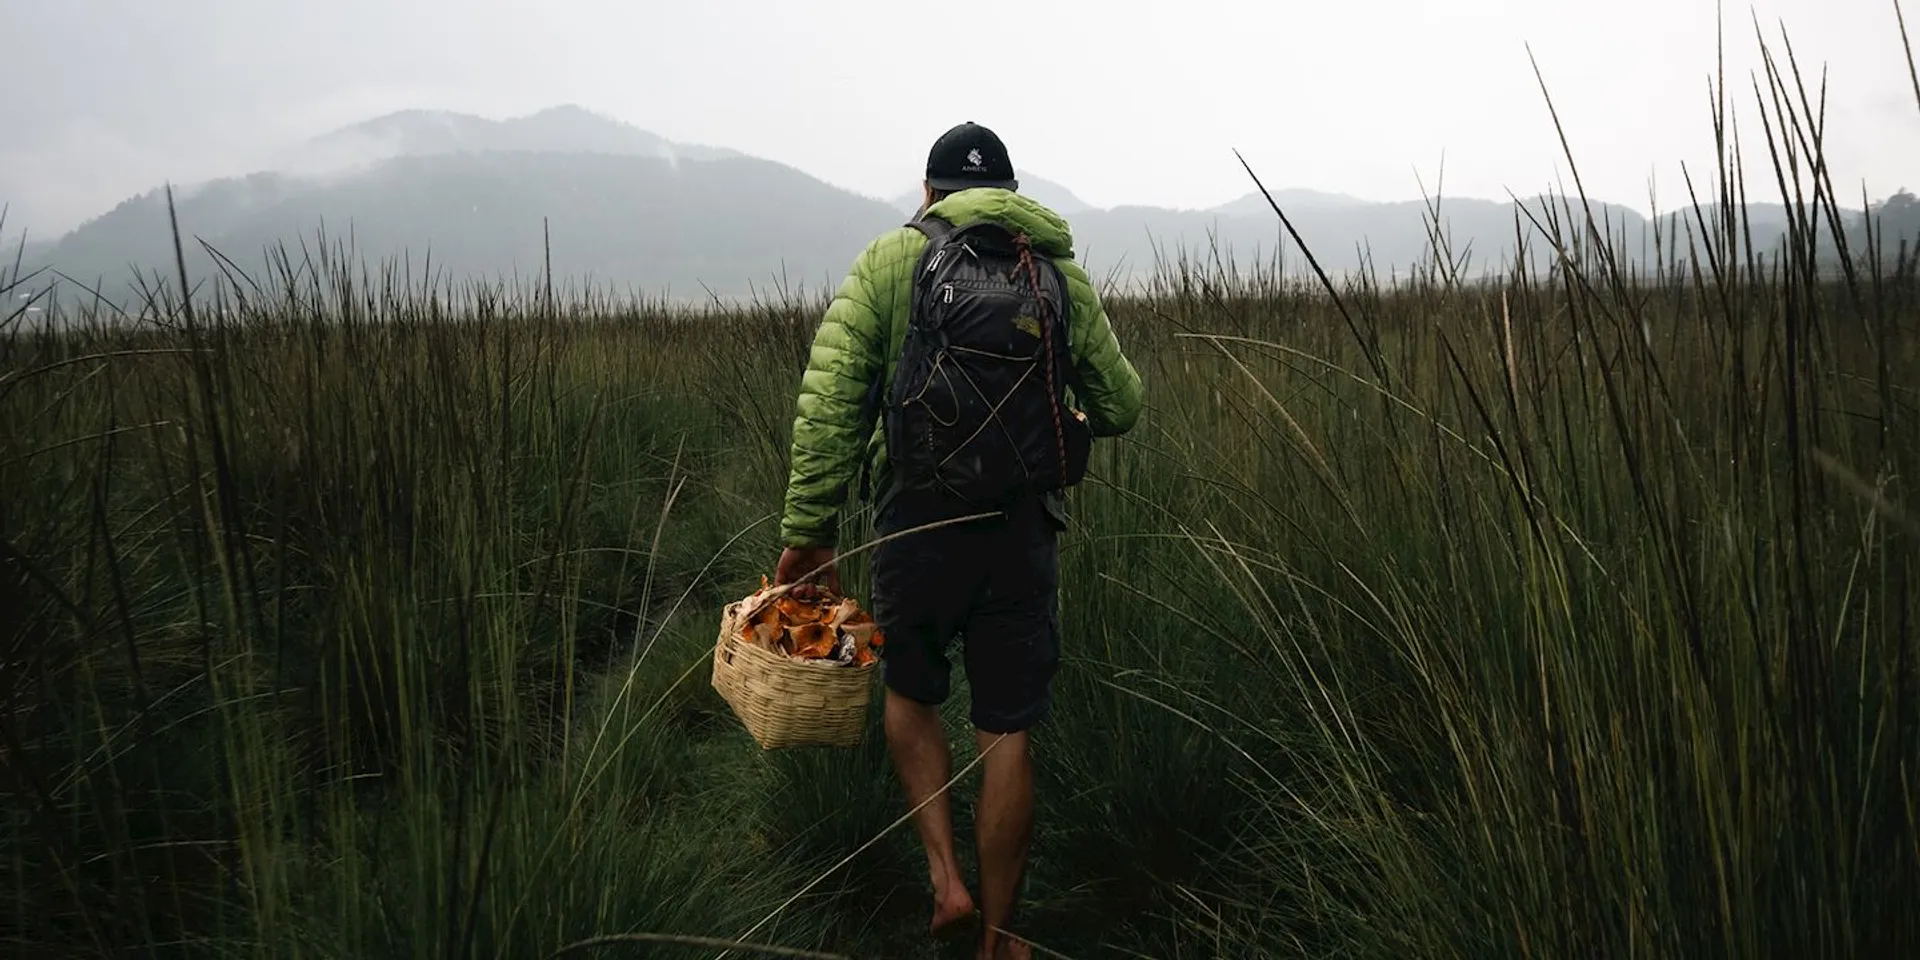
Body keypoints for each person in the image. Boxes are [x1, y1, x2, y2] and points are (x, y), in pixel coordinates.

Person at [771, 120, 1143, 960]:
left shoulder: (889, 261)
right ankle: (1000, 939)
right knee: (1007, 728)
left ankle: (946, 881)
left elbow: (831, 406)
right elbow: (1122, 405)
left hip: (917, 522)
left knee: (912, 693)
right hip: (1020, 530)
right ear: (1009, 195)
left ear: (930, 192)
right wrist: (1059, 423)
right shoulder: (1054, 272)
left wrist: (809, 532)